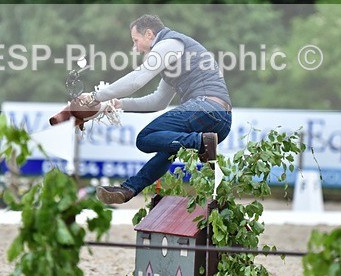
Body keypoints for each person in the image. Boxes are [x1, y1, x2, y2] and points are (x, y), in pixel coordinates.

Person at [77, 14, 232, 204]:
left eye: (136, 40)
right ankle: (128, 189)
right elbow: (158, 101)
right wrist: (119, 104)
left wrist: (95, 97)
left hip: (206, 109)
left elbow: (137, 79)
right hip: (221, 120)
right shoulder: (174, 58)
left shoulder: (170, 43)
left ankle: (201, 142)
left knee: (145, 138)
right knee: (168, 149)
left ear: (149, 34)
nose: (135, 48)